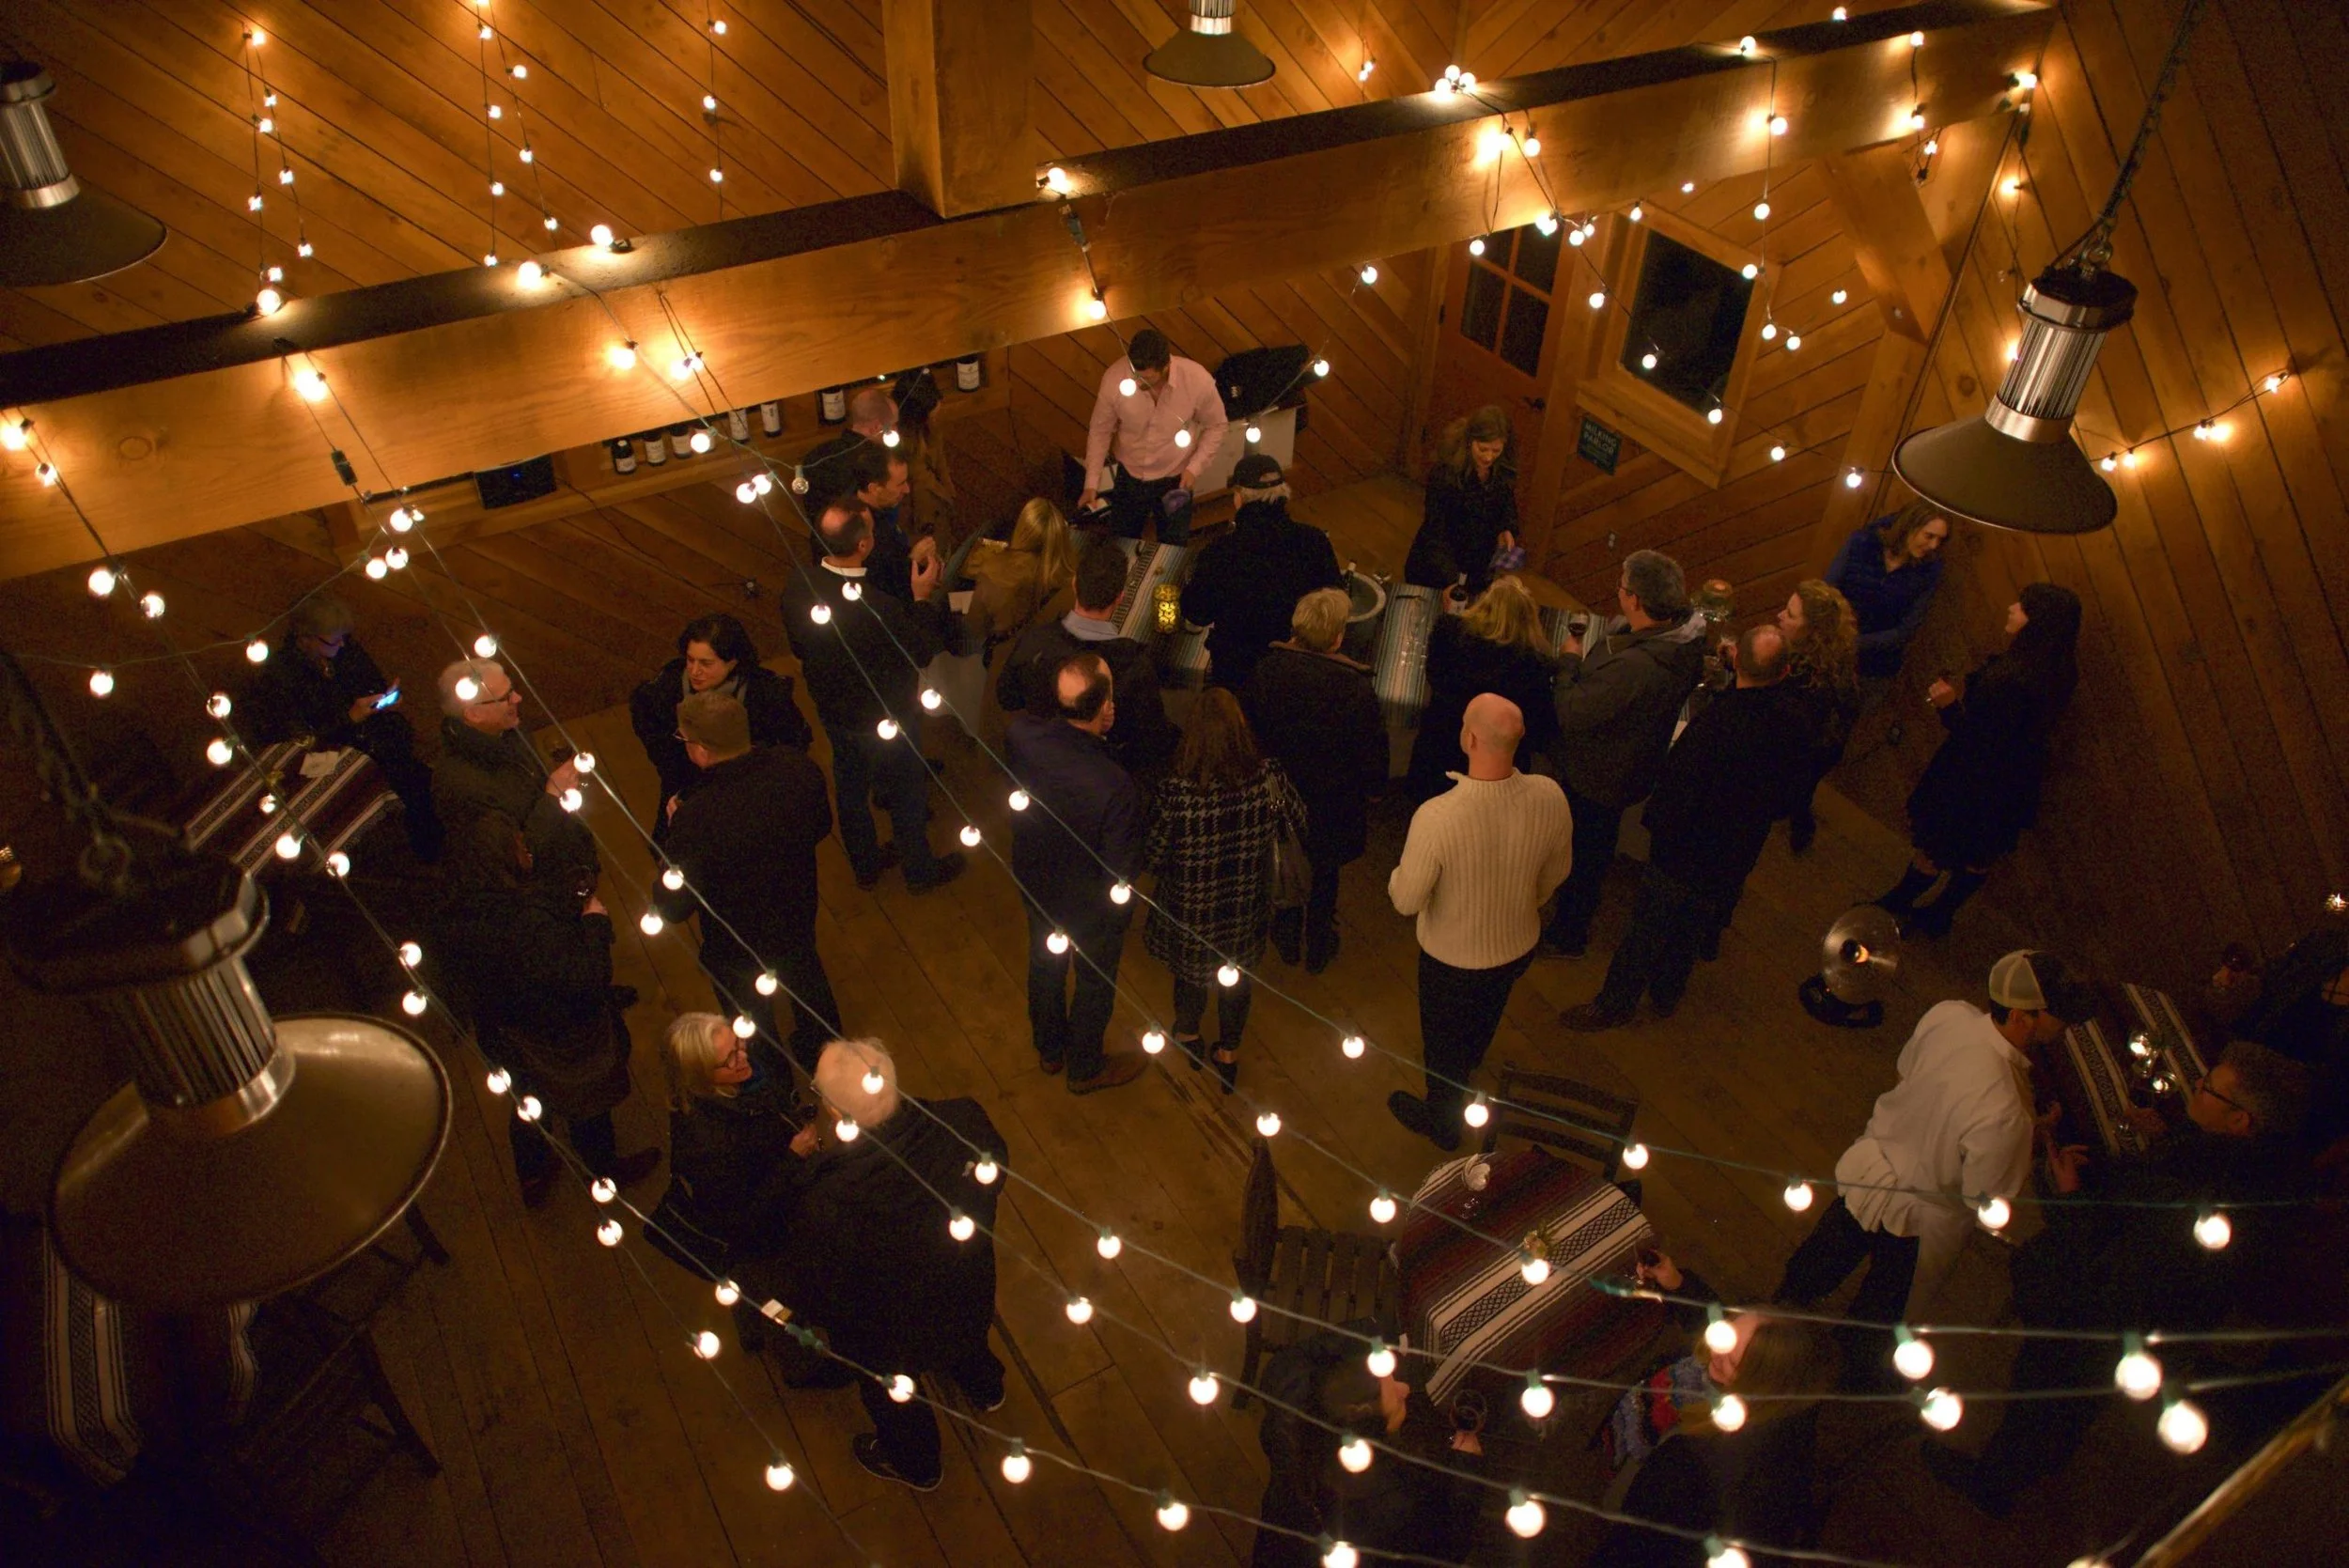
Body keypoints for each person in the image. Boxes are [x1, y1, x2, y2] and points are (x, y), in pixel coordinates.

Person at [1927, 1040, 2314, 1517]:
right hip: (2128, 1329)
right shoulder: (2242, 1169)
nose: (2196, 1086)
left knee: (2046, 1398)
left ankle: (1995, 1482)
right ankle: (2029, 1460)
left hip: (2097, 1328)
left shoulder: (2205, 1203)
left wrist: (2069, 1197)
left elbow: (2113, 1275)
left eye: (2210, 1089)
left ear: (2240, 1122)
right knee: (2064, 1405)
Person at [1775, 952, 2097, 1371]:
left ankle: (1776, 1317)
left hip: (1873, 1170)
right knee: (1878, 1315)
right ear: (2023, 1017)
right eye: (2059, 1016)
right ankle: (1843, 1377)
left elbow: (1908, 1070)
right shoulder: (2008, 1110)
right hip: (1922, 1225)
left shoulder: (1948, 1016)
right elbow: (1984, 1196)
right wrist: (2029, 1142)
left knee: (1820, 1260)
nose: (2065, 1026)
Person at [747, 1039, 1009, 1490]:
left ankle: (917, 1463)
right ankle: (986, 1388)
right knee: (966, 1337)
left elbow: (821, 1290)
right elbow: (995, 1173)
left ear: (836, 1113)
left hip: (888, 1333)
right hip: (963, 1282)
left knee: (896, 1399)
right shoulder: (963, 1121)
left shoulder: (827, 1200)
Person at [1563, 625, 1815, 1031]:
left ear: (1735, 662)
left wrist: (1658, 831)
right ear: (1784, 674)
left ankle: (1614, 1004)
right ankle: (1666, 994)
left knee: (1645, 930)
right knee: (1692, 929)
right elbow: (1792, 794)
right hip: (1736, 852)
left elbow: (1677, 787)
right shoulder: (1797, 723)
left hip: (1684, 850)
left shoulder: (1718, 722)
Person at [431, 815, 661, 1206]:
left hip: (503, 1032)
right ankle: (603, 1170)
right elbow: (585, 979)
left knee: (526, 1102)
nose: (528, 853)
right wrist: (594, 925)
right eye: (520, 848)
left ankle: (533, 1173)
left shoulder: (451, 916)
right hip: (559, 1034)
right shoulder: (529, 920)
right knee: (586, 1104)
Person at [1386, 694, 1575, 1149]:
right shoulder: (1549, 795)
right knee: (1485, 1014)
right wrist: (1521, 903)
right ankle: (1469, 1062)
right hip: (1518, 945)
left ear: (1469, 738)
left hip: (1451, 959)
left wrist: (1395, 876)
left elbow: (1407, 901)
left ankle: (1443, 1122)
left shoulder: (1438, 817)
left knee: (1442, 1043)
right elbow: (1557, 872)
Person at [1595, 1254, 1841, 1567]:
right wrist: (1678, 1284)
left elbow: (1638, 1540)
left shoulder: (1696, 1462)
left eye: (1731, 1360)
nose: (1714, 1347)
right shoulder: (1793, 1387)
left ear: (1758, 1383)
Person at [1875, 582, 2083, 938]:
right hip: (2014, 780)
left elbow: (1976, 738)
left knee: (1934, 844)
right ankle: (1940, 915)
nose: (2012, 609)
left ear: (2038, 621)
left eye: (2022, 606)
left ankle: (1896, 905)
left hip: (1971, 777)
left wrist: (1947, 706)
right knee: (1978, 855)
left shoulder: (2012, 680)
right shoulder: (2059, 670)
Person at [779, 501, 966, 894]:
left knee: (850, 787)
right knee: (907, 792)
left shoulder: (798, 585)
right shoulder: (880, 608)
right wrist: (920, 598)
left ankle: (865, 865)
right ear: (864, 545)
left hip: (833, 711)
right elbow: (920, 651)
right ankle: (919, 871)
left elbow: (799, 646)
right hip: (888, 717)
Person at [651, 691, 841, 1076]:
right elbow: (821, 826)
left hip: (736, 938)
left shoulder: (697, 816)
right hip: (796, 910)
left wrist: (674, 834)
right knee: (807, 978)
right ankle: (827, 1056)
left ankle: (773, 1081)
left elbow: (674, 906)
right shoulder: (797, 768)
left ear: (701, 750)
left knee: (750, 1020)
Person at [1539, 551, 1708, 958]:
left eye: (1622, 584)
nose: (1618, 589)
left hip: (1598, 773)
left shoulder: (1636, 667)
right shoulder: (1687, 639)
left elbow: (1571, 711)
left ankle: (1569, 934)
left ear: (1635, 600)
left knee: (1584, 857)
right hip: (1631, 762)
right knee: (1595, 846)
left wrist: (1568, 662)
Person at [1144, 689, 1306, 1092]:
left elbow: (1153, 855)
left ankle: (1187, 1034)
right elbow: (1299, 822)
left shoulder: (1178, 792)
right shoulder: (1268, 777)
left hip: (1191, 910)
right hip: (1246, 906)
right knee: (1238, 980)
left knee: (1191, 977)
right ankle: (1229, 1052)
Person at [1006, 654, 1149, 1094]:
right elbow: (1122, 867)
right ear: (1104, 707)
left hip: (1037, 882)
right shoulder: (1113, 785)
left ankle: (1049, 1049)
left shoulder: (1020, 736)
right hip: (1091, 907)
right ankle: (1085, 1067)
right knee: (1094, 982)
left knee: (1044, 966)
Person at [1249, 1327, 1487, 1567]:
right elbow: (1449, 1549)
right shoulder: (1392, 1500)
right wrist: (1466, 1470)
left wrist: (1381, 1337)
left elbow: (1313, 1349)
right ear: (1364, 1416)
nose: (1404, 1389)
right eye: (1392, 1393)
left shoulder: (1292, 1413)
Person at [1243, 587, 1387, 974]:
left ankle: (1287, 937)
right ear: (1338, 637)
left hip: (1279, 793)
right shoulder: (1355, 687)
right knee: (1325, 873)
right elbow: (1371, 749)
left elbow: (1252, 731)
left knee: (1284, 863)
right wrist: (1374, 791)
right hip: (1332, 802)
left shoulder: (1267, 670)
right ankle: (1319, 943)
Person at [242, 598, 445, 862]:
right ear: (305, 639)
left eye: (343, 639)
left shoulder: (345, 648)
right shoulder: (283, 674)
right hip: (335, 752)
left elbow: (371, 682)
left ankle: (431, 847)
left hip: (376, 737)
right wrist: (350, 718)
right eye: (332, 642)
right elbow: (299, 737)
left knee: (421, 785)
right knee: (402, 792)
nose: (341, 646)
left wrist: (385, 699)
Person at [658, 1012, 807, 1350]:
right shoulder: (708, 1145)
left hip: (770, 1221)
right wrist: (794, 1158)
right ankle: (798, 1365)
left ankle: (754, 1331)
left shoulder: (737, 1089)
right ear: (700, 1077)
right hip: (759, 1244)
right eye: (729, 1059)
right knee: (778, 1308)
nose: (744, 1057)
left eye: (739, 1045)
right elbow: (742, 1221)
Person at [998, 536, 1179, 781]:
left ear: (1074, 584)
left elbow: (1007, 697)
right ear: (1120, 598)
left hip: (1044, 760)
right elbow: (1151, 741)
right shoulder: (1134, 665)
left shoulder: (1034, 641)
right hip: (1106, 772)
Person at [628, 613, 811, 842]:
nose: (694, 671)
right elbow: (648, 724)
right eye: (690, 659)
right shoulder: (666, 690)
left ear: (732, 661)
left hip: (748, 794)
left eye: (706, 663)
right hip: (687, 785)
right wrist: (673, 763)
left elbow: (794, 741)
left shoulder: (765, 694)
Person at [431, 658, 599, 894]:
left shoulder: (508, 731)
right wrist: (552, 799)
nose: (518, 698)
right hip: (544, 892)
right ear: (475, 714)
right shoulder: (459, 786)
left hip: (569, 860)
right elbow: (511, 859)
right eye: (506, 696)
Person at [1177, 454, 1341, 692]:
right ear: (1283, 494)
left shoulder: (1221, 552)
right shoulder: (1314, 541)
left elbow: (1196, 612)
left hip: (1237, 673)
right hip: (1298, 669)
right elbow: (1335, 601)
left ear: (1239, 499)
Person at [1407, 574, 1560, 801]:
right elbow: (1540, 729)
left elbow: (1435, 674)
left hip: (1440, 746)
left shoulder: (1449, 632)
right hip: (1495, 768)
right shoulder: (1534, 665)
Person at [2208, 915, 2349, 1155]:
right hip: (2232, 1063)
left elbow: (2331, 1101)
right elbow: (2268, 981)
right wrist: (2241, 985)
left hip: (2275, 1123)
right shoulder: (2327, 946)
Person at [1079, 327, 1228, 545]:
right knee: (1120, 543)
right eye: (1135, 375)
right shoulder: (1115, 378)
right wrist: (1091, 483)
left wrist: (1194, 468)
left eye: (1146, 379)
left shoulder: (1196, 380)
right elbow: (1100, 431)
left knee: (1173, 545)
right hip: (1129, 478)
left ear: (1166, 366)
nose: (1138, 384)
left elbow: (1217, 425)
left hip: (1176, 479)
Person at [1823, 501, 1950, 697]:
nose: (1933, 545)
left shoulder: (1928, 572)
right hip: (1829, 649)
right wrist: (1834, 635)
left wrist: (1854, 643)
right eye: (1929, 536)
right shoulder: (1863, 543)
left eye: (1940, 540)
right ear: (1909, 526)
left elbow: (1905, 630)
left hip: (1874, 666)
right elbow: (1827, 591)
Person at [1776, 580, 1861, 855]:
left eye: (1789, 614)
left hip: (1807, 753)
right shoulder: (1833, 653)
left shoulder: (1810, 680)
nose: (1779, 616)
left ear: (1812, 630)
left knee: (1793, 792)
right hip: (1819, 750)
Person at [1404, 406, 1518, 597]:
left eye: (1496, 450)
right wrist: (1450, 581)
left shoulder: (1503, 471)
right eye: (1483, 449)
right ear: (1469, 441)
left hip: (1477, 567)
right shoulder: (1445, 474)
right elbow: (1436, 533)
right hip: (1436, 566)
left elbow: (1507, 505)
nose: (1489, 457)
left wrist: (1506, 528)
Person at [963, 497, 1079, 657]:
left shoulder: (993, 573)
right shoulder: (1071, 576)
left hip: (1005, 657)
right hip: (1045, 654)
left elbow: (975, 628)